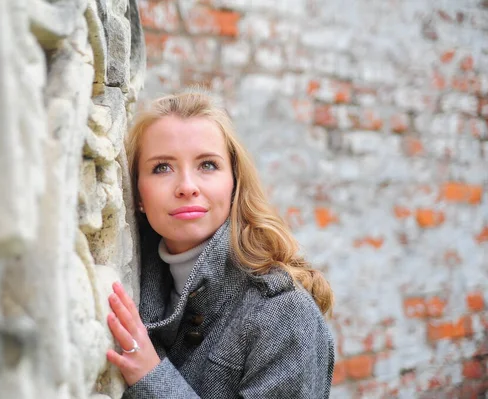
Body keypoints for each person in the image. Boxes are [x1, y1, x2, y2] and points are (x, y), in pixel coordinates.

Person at [105, 88, 335, 398]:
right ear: (138, 194)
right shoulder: (123, 283)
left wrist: (151, 377)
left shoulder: (284, 313)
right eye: (162, 167)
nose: (187, 186)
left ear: (234, 183)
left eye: (207, 165)